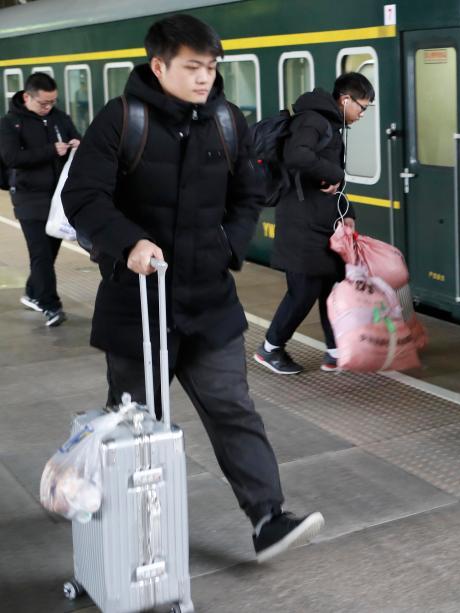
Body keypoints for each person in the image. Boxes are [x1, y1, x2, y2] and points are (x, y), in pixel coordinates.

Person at [62, 14, 324, 561]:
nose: (205, 78)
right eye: (192, 67)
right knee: (137, 427)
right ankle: (120, 534)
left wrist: (230, 245)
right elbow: (83, 197)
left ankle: (268, 519)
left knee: (233, 407)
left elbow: (248, 195)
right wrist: (128, 242)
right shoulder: (121, 120)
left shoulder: (228, 121)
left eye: (211, 67)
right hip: (138, 304)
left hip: (208, 302)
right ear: (159, 66)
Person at [254, 72, 375, 375]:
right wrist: (335, 175)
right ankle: (270, 348)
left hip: (320, 220)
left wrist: (348, 209)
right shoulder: (314, 120)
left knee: (332, 286)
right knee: (303, 290)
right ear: (345, 99)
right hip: (301, 222)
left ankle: (335, 352)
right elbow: (297, 156)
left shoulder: (329, 124)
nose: (362, 115)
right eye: (362, 107)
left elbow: (322, 177)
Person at [0, 72, 80, 327]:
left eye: (52, 102)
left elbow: (74, 135)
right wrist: (49, 151)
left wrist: (79, 143)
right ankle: (51, 306)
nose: (48, 108)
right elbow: (11, 158)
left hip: (58, 198)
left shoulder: (60, 119)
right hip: (28, 197)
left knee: (50, 251)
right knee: (41, 254)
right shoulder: (10, 123)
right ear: (27, 97)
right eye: (43, 103)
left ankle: (33, 293)